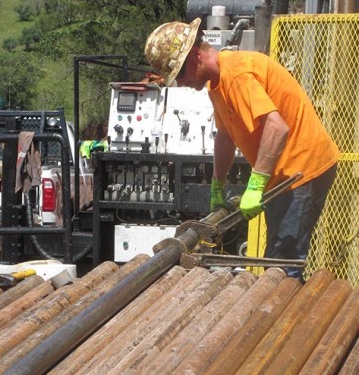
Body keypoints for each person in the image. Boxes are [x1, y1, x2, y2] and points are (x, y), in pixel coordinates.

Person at [144, 18, 339, 278]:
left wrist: (256, 184)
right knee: (276, 261)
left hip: (301, 169)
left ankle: (286, 314)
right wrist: (217, 185)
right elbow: (225, 135)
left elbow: (277, 128)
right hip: (285, 173)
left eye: (180, 73)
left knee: (282, 266)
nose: (181, 83)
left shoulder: (235, 74)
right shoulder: (217, 84)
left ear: (196, 55)